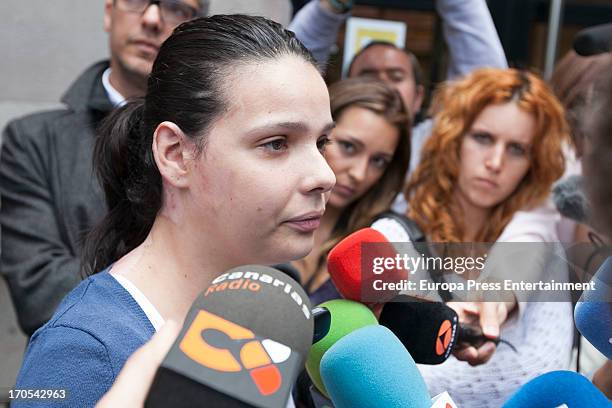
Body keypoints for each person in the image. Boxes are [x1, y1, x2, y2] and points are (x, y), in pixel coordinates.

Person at [13, 14, 336, 407]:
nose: (325, 175)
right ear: (175, 154)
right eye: (276, 143)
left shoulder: (274, 314)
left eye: (322, 141)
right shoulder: (83, 349)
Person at [0, 0, 207, 336]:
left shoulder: (221, 140)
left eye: (176, 7)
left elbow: (259, 275)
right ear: (109, 12)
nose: (152, 18)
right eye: (137, 1)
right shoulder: (33, 141)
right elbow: (40, 291)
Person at [401, 68, 574, 407]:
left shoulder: (541, 244)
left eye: (517, 149)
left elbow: (547, 373)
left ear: (533, 163)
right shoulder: (400, 237)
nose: (495, 162)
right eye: (483, 138)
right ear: (454, 138)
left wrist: (496, 298)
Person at [291, 0, 507, 177]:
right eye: (369, 75)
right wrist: (333, 5)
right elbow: (291, 71)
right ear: (347, 90)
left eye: (396, 76)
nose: (383, 83)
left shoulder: (434, 145)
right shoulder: (316, 139)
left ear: (418, 98)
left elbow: (487, 85)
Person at [292, 77, 411, 303]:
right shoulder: (258, 211)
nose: (359, 173)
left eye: (378, 161)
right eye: (349, 147)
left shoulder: (384, 240)